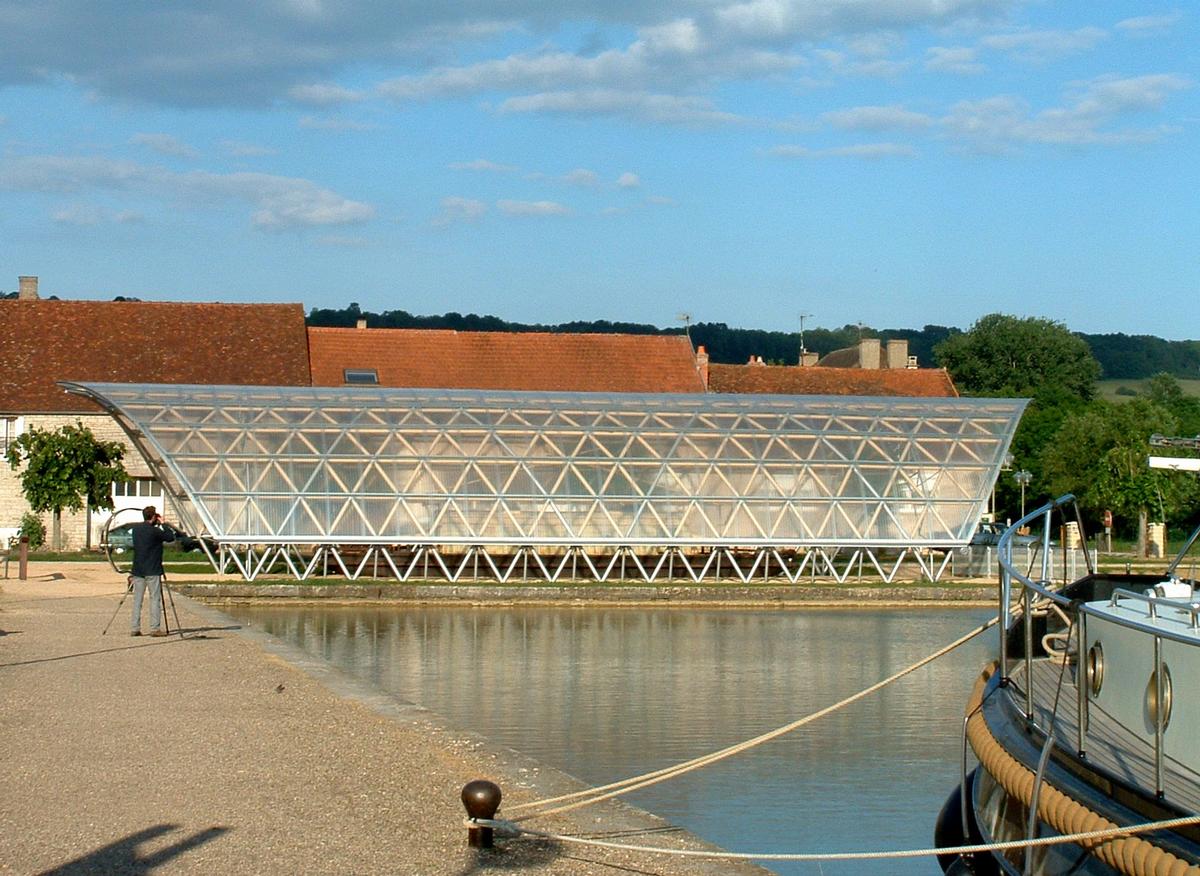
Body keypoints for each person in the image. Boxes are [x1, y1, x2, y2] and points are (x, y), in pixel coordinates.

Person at [130, 505, 176, 637]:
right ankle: (154, 628)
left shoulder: (136, 530)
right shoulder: (155, 531)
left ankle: (135, 627)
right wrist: (164, 523)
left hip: (138, 569)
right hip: (153, 569)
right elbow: (170, 537)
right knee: (154, 598)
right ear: (154, 517)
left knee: (137, 599)